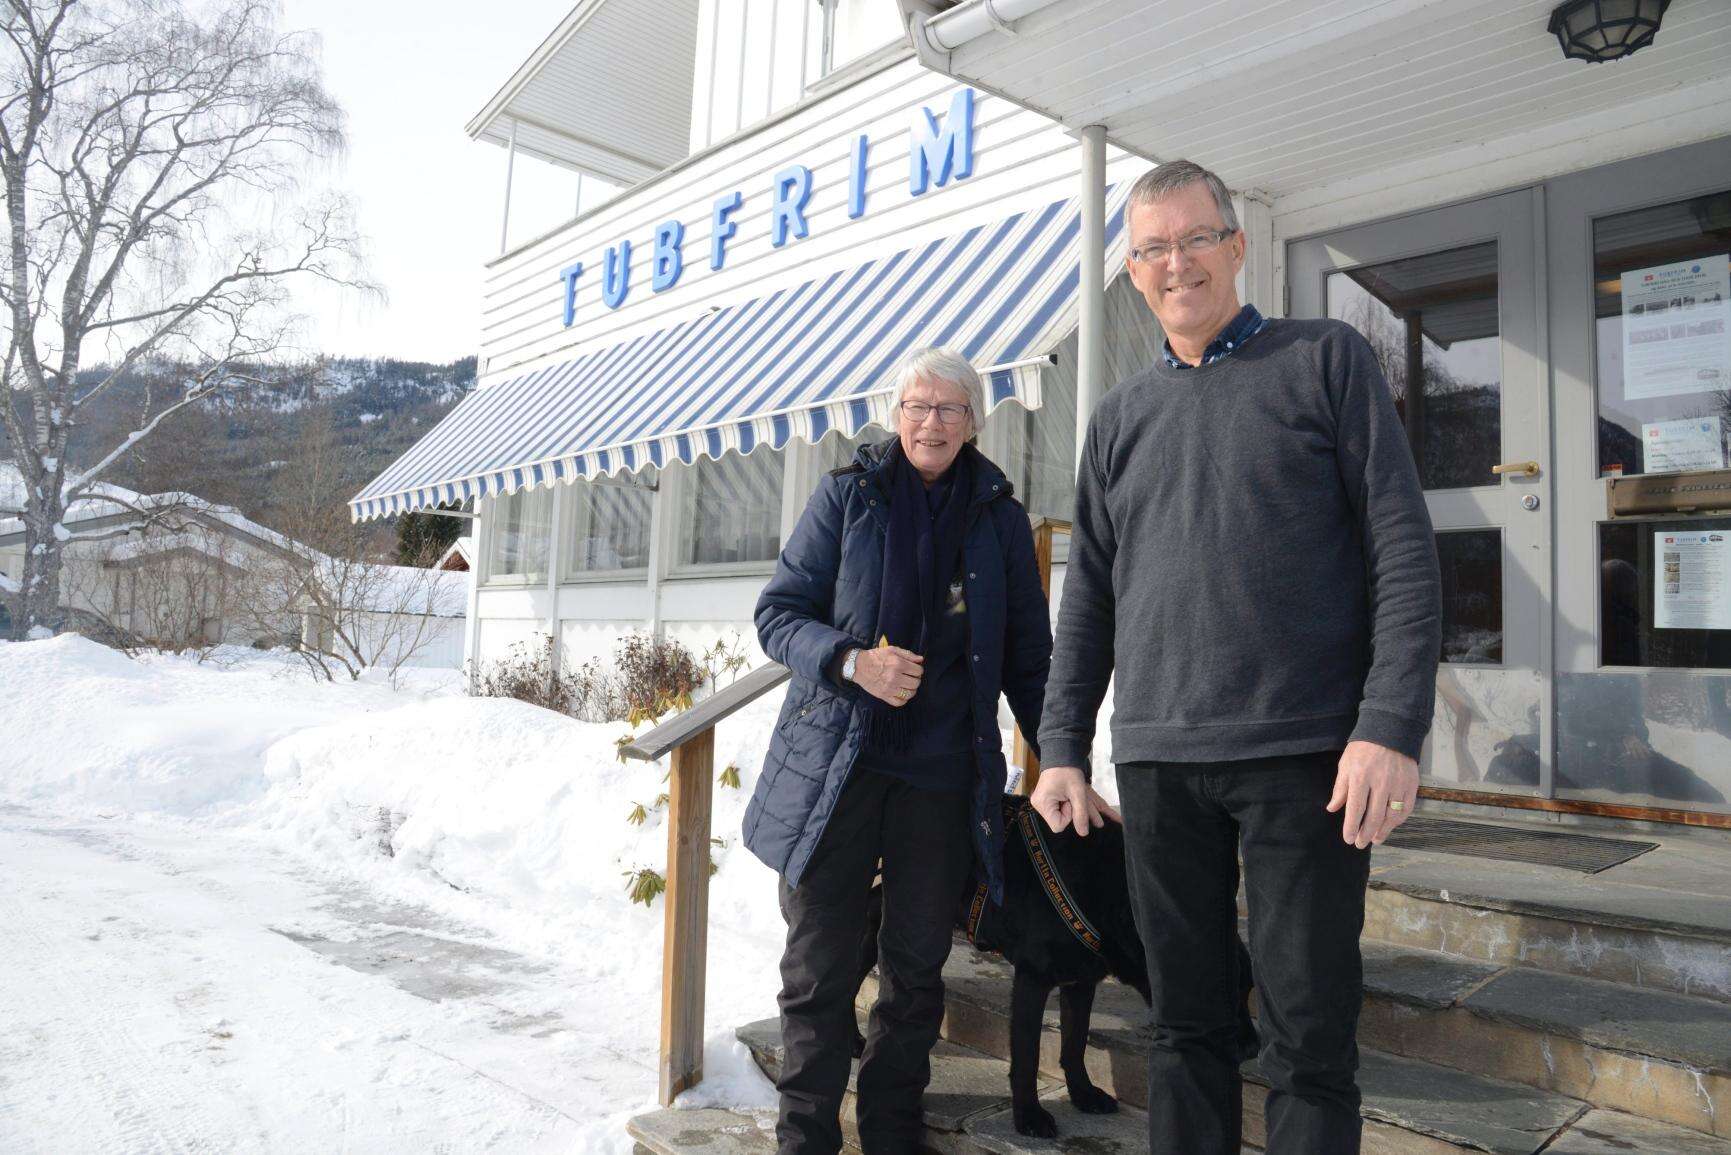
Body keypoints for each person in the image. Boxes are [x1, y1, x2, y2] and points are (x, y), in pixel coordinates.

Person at [1031, 159, 1442, 1154]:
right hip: (1160, 763)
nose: (1177, 263)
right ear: (1135, 272)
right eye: (1154, 249)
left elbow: (1401, 548)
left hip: (1304, 755)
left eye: (1195, 239)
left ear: (1237, 246)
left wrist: (1389, 726)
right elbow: (1089, 597)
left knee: (1308, 1037)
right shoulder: (1118, 418)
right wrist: (1061, 747)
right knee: (1184, 1029)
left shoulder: (1325, 361)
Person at [744, 346, 1055, 1154]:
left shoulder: (999, 519)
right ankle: (804, 1138)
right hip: (839, 766)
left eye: (950, 408)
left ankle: (890, 1131)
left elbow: (1029, 659)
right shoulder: (847, 497)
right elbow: (779, 614)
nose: (931, 422)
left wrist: (1060, 756)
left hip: (942, 775)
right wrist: (852, 661)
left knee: (915, 970)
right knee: (818, 967)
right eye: (917, 406)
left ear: (974, 423)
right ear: (895, 414)